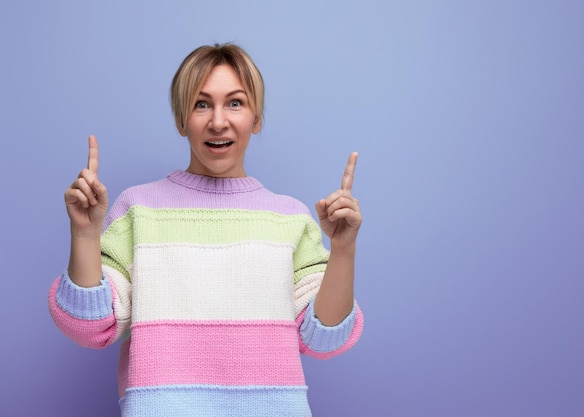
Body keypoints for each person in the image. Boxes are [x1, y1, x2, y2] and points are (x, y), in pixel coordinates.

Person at [48, 43, 364, 416]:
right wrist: (84, 235)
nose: (218, 121)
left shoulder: (289, 219)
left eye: (235, 102)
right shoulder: (138, 211)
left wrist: (343, 249)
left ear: (256, 118)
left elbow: (325, 339)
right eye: (201, 104)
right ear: (182, 120)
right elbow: (89, 328)